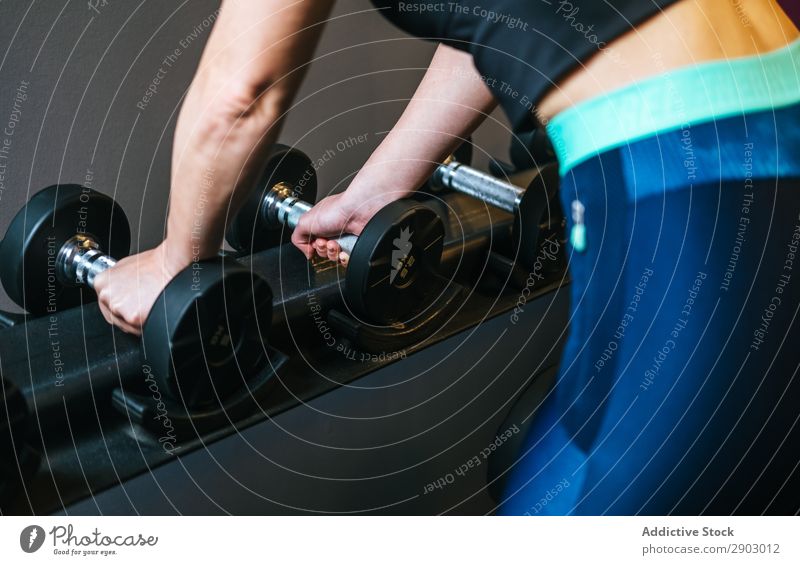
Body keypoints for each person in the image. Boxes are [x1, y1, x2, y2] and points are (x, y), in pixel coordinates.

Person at [94, 1, 800, 513]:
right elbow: (502, 24)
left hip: (687, 163)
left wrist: (174, 261)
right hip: (748, 118)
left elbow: (241, 92)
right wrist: (380, 185)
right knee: (549, 483)